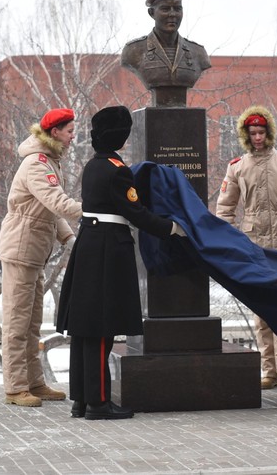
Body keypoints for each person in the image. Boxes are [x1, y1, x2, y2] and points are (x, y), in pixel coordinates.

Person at [56, 105, 186, 420]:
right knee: (102, 327)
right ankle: (99, 403)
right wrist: (171, 228)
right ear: (120, 137)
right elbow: (135, 212)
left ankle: (83, 400)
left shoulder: (92, 166)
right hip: (108, 249)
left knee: (85, 327)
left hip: (89, 244)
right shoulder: (117, 169)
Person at [0, 108, 83, 407]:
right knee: (16, 322)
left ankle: (33, 382)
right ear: (55, 131)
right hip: (21, 251)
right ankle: (15, 387)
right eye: (70, 130)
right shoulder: (37, 163)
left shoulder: (50, 162)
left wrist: (69, 237)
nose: (74, 136)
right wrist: (92, 208)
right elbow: (56, 201)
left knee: (31, 323)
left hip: (33, 253)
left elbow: (46, 210)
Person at [216, 105, 277, 392]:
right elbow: (226, 208)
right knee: (261, 311)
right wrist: (228, 241)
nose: (257, 137)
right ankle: (269, 369)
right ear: (245, 134)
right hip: (253, 242)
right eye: (252, 132)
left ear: (269, 132)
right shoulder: (237, 167)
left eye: (261, 131)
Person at [120, 0, 211, 105]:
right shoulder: (133, 51)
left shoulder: (198, 53)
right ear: (152, 13)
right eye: (165, 9)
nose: (172, 14)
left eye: (177, 9)